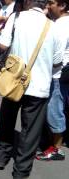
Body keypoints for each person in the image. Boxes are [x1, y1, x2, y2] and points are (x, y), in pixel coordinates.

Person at [0, 0, 61, 179]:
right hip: (39, 86)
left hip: (13, 81)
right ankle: (21, 171)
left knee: (7, 120)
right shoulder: (52, 26)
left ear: (29, 2)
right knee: (31, 131)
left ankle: (0, 157)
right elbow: (57, 61)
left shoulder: (16, 17)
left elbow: (2, 45)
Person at [35, 0, 69, 161]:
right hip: (62, 73)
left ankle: (56, 149)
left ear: (62, 6)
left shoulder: (60, 25)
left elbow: (57, 56)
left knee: (54, 111)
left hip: (56, 74)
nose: (48, 6)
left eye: (51, 3)